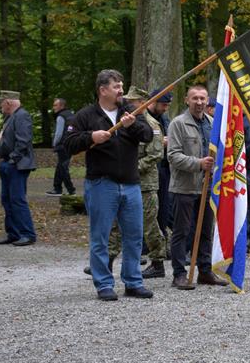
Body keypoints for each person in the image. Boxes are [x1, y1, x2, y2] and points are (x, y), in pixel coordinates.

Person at [63, 70, 154, 301]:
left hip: (131, 184)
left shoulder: (130, 112)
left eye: (121, 86)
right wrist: (91, 137)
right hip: (101, 184)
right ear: (103, 90)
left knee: (134, 237)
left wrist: (132, 125)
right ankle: (104, 284)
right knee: (100, 237)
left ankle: (133, 282)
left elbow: (147, 136)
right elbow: (68, 144)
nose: (121, 90)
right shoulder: (86, 116)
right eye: (116, 87)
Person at [167, 84, 228, 290]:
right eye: (195, 98)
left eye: (203, 98)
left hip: (207, 188)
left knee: (205, 232)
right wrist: (198, 163)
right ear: (187, 100)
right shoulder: (178, 124)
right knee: (181, 232)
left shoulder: (212, 124)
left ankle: (204, 271)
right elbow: (173, 155)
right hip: (184, 188)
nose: (199, 102)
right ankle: (179, 274)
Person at [106, 87, 168, 278]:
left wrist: (131, 167)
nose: (128, 104)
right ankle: (106, 262)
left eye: (132, 102)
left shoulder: (152, 125)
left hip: (146, 184)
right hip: (124, 181)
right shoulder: (124, 123)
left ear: (143, 103)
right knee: (114, 223)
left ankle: (157, 263)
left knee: (149, 225)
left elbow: (155, 155)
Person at [0, 90, 37, 247]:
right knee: (7, 199)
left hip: (17, 165)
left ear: (8, 102)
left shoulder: (21, 115)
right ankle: (13, 233)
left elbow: (24, 140)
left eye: (1, 102)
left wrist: (13, 159)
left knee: (17, 200)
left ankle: (27, 234)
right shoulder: (10, 117)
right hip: (8, 163)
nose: (0, 105)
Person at [147, 89, 173, 253]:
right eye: (163, 104)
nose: (165, 108)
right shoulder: (143, 118)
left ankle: (162, 244)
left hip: (164, 169)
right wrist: (159, 142)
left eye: (167, 105)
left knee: (164, 209)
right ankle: (146, 246)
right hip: (147, 169)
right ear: (153, 102)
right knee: (149, 210)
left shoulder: (164, 119)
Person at [46, 98, 76, 196]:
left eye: (55, 105)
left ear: (61, 106)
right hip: (70, 144)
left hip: (62, 145)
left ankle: (71, 189)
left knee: (63, 167)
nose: (53, 107)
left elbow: (58, 134)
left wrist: (54, 144)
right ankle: (57, 188)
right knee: (61, 166)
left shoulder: (60, 116)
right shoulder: (71, 115)